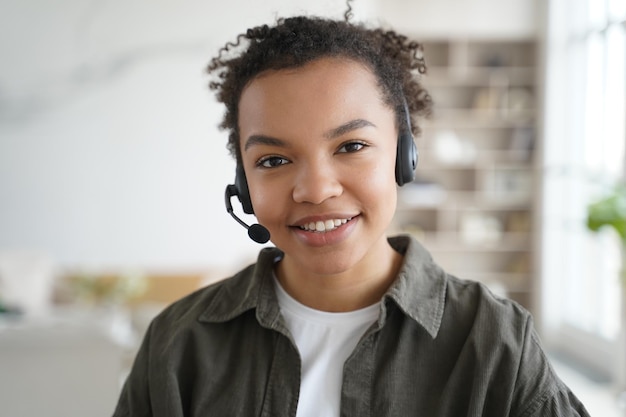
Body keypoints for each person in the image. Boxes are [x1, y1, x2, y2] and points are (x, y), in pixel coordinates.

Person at [112, 3, 590, 417]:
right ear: (243, 183)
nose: (316, 190)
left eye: (352, 145)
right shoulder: (177, 344)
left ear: (404, 157)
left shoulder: (496, 343)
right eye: (273, 160)